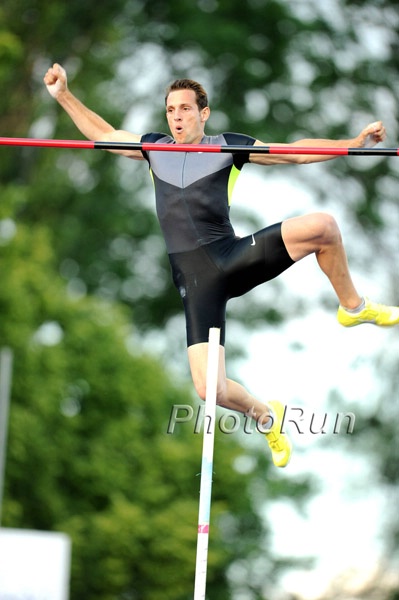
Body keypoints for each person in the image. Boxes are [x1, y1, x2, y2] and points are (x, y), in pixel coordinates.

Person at [43, 63, 399, 468]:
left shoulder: (228, 145)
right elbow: (104, 134)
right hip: (196, 281)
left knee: (324, 227)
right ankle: (268, 417)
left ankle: (353, 308)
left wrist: (352, 142)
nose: (177, 117)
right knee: (209, 388)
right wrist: (63, 95)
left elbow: (295, 152)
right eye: (171, 110)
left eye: (186, 109)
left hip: (231, 256)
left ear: (204, 112)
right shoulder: (153, 148)